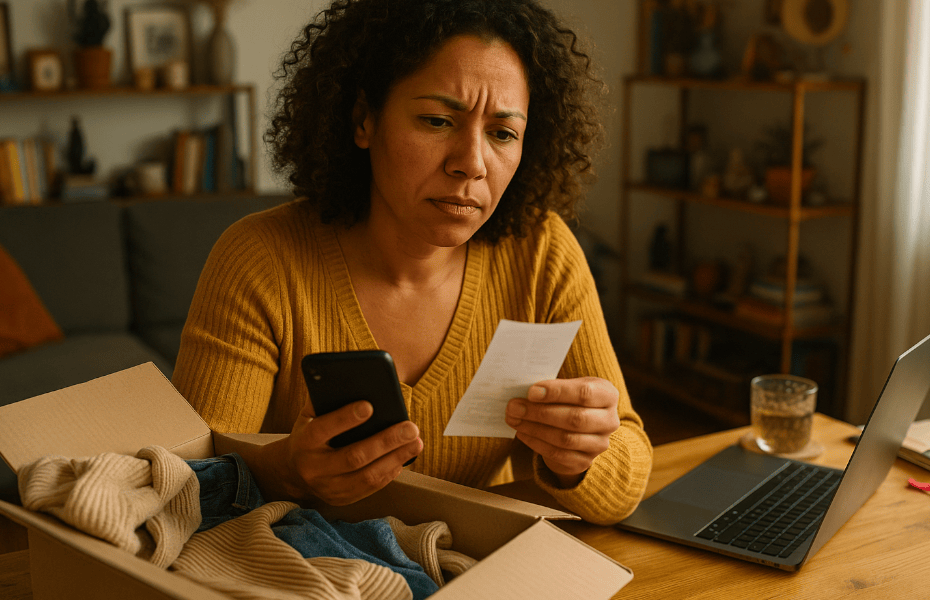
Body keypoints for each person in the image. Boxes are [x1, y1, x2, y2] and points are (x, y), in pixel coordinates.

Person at [172, 0, 652, 526]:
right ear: (364, 119)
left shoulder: (541, 252)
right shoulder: (261, 259)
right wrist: (285, 471)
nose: (470, 162)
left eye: (502, 133)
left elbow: (626, 472)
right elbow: (188, 482)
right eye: (437, 120)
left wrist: (578, 461)